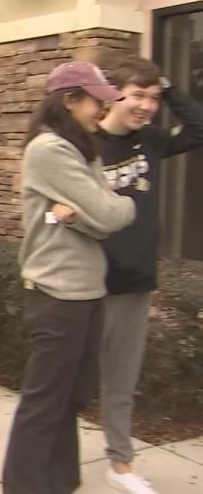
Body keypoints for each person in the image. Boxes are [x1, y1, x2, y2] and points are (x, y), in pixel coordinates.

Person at [1, 61, 137, 493]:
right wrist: (108, 209)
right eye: (97, 100)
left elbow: (98, 218)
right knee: (45, 402)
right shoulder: (50, 150)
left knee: (71, 398)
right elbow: (112, 211)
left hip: (86, 291)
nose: (102, 108)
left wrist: (82, 217)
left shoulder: (81, 149)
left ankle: (58, 482)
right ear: (69, 100)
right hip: (58, 293)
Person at [93, 58, 203, 494]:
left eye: (153, 98)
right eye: (138, 95)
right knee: (69, 379)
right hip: (86, 282)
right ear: (113, 93)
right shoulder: (82, 144)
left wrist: (170, 86)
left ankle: (120, 464)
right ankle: (51, 453)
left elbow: (199, 128)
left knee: (121, 381)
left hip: (134, 282)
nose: (146, 106)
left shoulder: (152, 141)